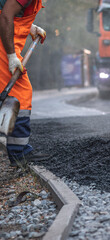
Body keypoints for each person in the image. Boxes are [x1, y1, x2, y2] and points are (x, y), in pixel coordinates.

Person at [0, 0, 46, 167]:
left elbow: (10, 11)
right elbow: (5, 16)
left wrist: (30, 27)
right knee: (20, 93)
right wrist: (12, 56)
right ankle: (19, 153)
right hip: (3, 47)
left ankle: (18, 151)